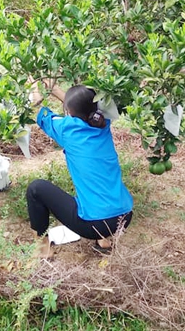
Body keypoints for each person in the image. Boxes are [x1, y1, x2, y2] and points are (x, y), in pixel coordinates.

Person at [26, 83, 133, 258]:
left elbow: (42, 117)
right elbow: (85, 106)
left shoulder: (67, 130)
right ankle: (104, 241)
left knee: (36, 189)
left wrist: (36, 97)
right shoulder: (103, 125)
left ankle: (42, 249)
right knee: (99, 190)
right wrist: (57, 90)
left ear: (69, 111)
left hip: (93, 224)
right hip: (125, 216)